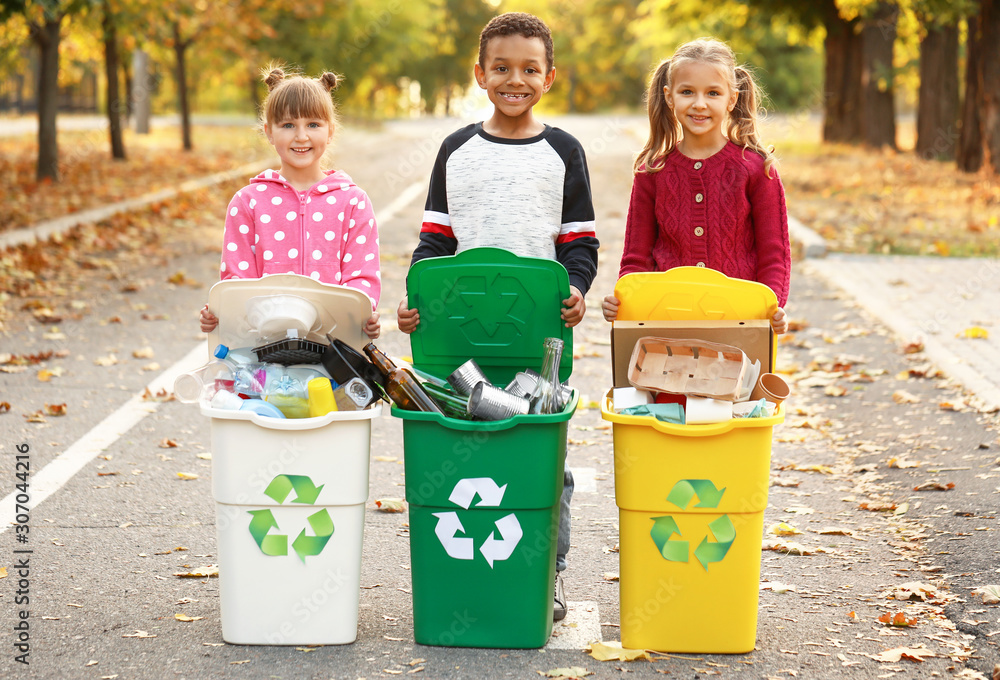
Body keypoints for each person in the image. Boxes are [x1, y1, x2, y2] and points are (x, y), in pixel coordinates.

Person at [396, 12, 600, 622]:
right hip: (460, 342)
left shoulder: (564, 151)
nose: (516, 79)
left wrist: (580, 290)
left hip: (540, 342)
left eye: (529, 69)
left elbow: (579, 244)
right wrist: (416, 304)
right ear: (480, 74)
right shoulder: (457, 150)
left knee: (542, 461)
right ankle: (465, 573)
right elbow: (434, 244)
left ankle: (546, 574)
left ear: (550, 76)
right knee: (463, 451)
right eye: (502, 68)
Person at [601, 38, 790, 334]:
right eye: (687, 91)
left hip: (740, 323)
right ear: (669, 96)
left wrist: (771, 305)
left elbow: (773, 254)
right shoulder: (652, 171)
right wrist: (626, 298)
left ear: (731, 99)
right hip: (666, 323)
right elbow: (636, 257)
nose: (699, 104)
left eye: (713, 93)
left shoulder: (757, 169)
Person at [200, 67, 381, 338]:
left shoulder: (353, 202)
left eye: (313, 124)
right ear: (269, 132)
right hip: (262, 347)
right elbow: (237, 282)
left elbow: (361, 280)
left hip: (334, 346)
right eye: (287, 125)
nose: (301, 136)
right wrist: (221, 313)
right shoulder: (247, 203)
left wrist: (364, 315)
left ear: (330, 130)